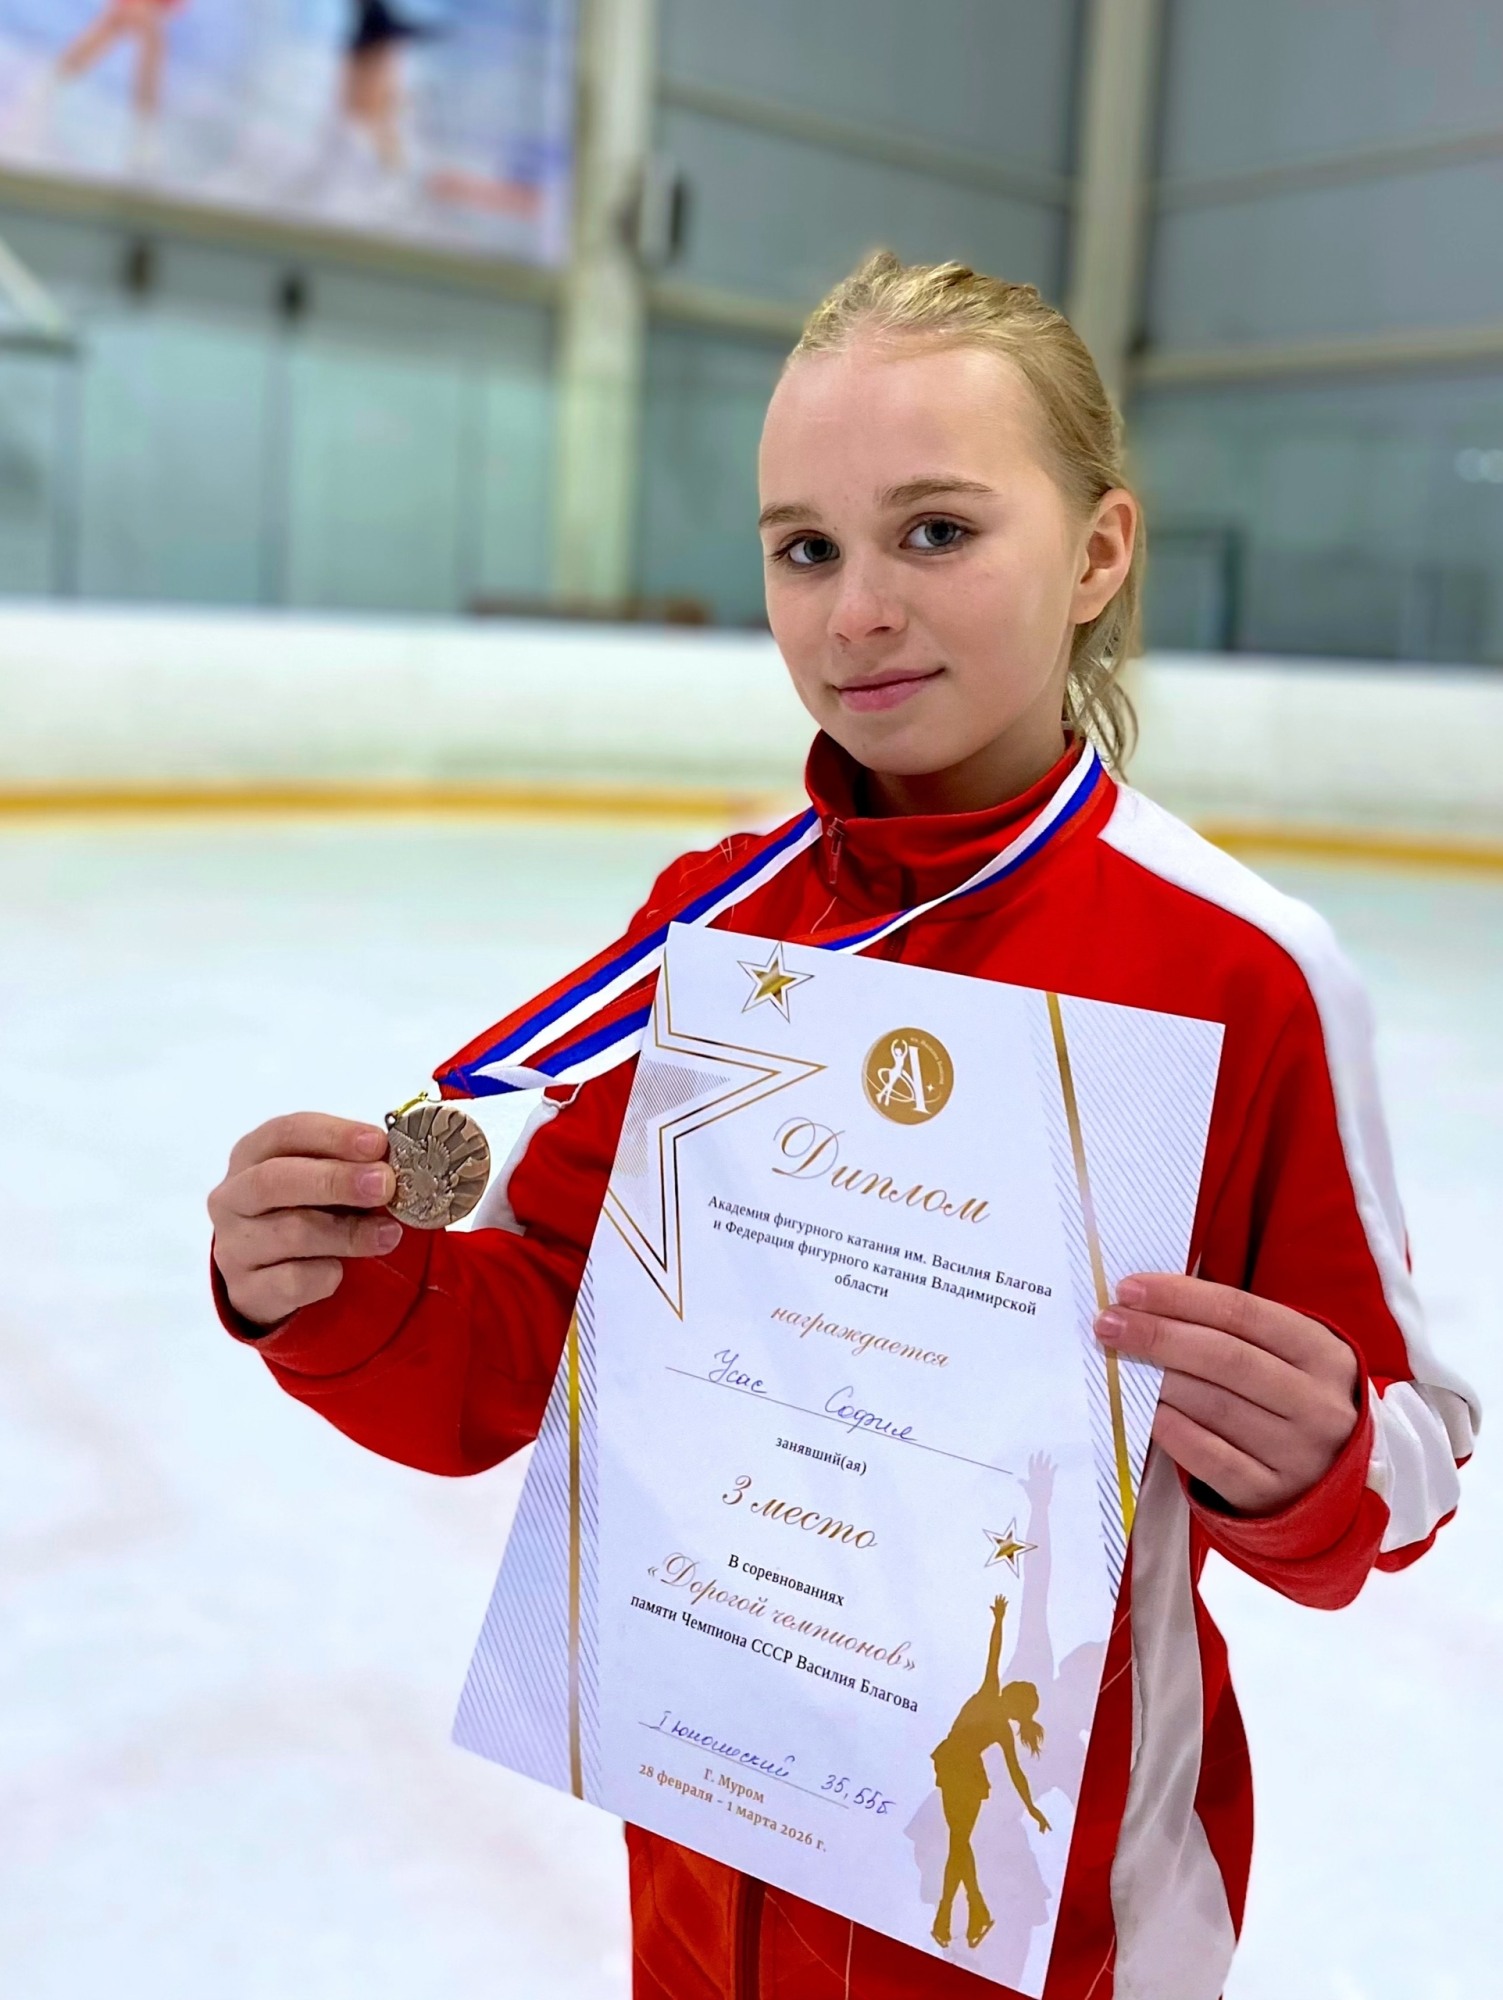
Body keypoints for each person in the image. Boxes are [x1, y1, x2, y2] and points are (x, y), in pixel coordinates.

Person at [207, 252, 1476, 2000]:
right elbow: (529, 1342)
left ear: (1097, 552)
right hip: (707, 1871)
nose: (856, 611)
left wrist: (1320, 1457)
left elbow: (1406, 1460)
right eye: (803, 548)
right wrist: (334, 1290)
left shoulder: (1241, 972)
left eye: (934, 532)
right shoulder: (717, 924)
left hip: (1051, 1934)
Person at [929, 1595, 1049, 1954]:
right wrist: (1032, 1808)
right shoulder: (999, 1720)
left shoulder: (990, 1700)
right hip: (962, 1774)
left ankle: (951, 1914)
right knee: (959, 1843)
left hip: (960, 1774)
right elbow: (1016, 1774)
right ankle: (972, 1911)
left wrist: (998, 1621)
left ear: (1013, 1698)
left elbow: (993, 1655)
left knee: (958, 1843)